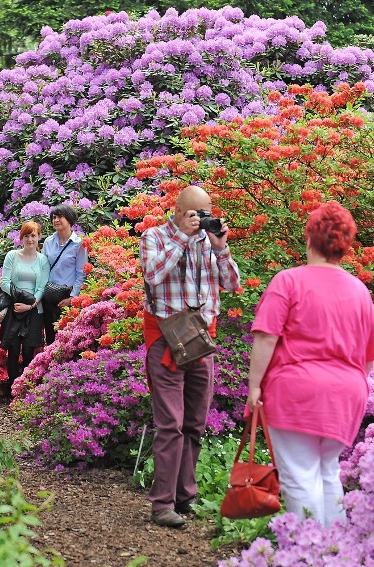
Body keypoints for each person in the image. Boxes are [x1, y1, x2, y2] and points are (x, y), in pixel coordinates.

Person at [246, 201, 374, 528]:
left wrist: (254, 386)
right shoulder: (358, 290)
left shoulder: (288, 281)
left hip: (295, 392)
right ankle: (335, 553)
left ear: (309, 239)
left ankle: (307, 554)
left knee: (299, 476)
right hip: (346, 396)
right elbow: (370, 356)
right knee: (328, 472)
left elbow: (266, 338)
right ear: (344, 245)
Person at [140, 185, 240, 528]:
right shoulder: (155, 236)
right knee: (170, 424)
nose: (205, 217)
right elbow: (153, 275)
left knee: (195, 423)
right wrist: (182, 237)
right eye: (198, 212)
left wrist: (221, 248)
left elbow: (231, 284)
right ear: (180, 212)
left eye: (209, 210)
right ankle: (162, 504)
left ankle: (185, 497)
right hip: (167, 339)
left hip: (201, 341)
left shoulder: (210, 242)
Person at [0, 221, 50, 387]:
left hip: (34, 311)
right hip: (14, 308)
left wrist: (30, 304)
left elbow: (42, 286)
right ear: (21, 238)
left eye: (33, 235)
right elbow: (4, 282)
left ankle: (26, 389)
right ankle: (13, 387)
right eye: (26, 236)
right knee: (13, 350)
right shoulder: (12, 256)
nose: (30, 239)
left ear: (39, 237)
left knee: (29, 351)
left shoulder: (42, 260)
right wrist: (20, 299)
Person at [41, 204, 88, 344]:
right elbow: (42, 268)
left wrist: (73, 298)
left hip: (67, 297)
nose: (56, 220)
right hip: (49, 295)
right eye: (54, 217)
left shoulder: (79, 244)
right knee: (50, 335)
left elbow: (82, 273)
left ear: (69, 219)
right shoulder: (48, 242)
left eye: (60, 217)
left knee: (67, 338)